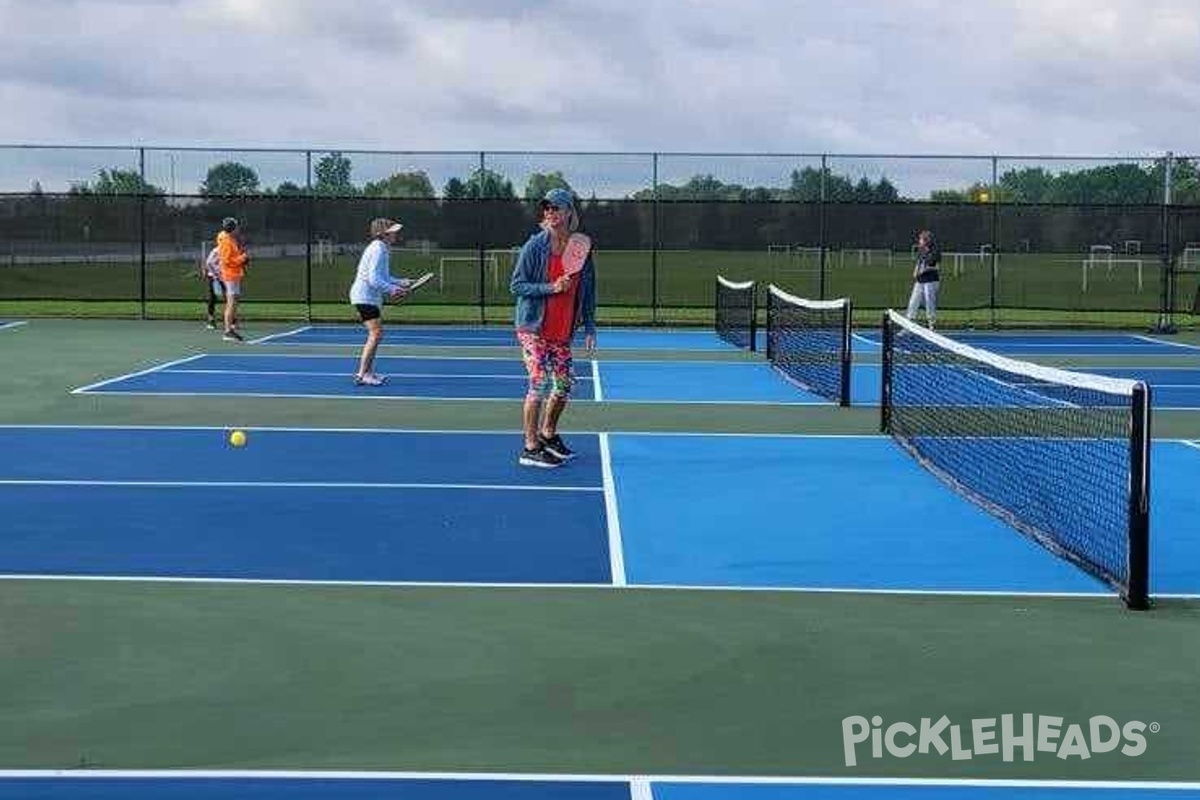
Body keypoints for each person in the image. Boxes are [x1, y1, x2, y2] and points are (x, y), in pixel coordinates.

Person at [509, 188, 597, 468]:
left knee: (565, 385)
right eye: (546, 208)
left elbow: (589, 288)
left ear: (569, 211)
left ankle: (547, 434)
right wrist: (551, 287)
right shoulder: (535, 246)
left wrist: (590, 325)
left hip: (562, 330)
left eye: (555, 208)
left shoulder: (580, 247)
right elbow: (517, 285)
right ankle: (530, 447)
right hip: (533, 328)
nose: (550, 212)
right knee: (540, 383)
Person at [348, 218, 413, 386]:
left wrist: (399, 282)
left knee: (377, 334)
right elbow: (373, 278)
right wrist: (393, 290)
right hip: (364, 297)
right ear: (383, 234)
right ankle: (362, 374)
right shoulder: (378, 249)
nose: (396, 234)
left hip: (369, 297)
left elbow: (382, 276)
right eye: (393, 231)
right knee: (376, 334)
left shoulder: (381, 248)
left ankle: (368, 372)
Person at [216, 217, 250, 342]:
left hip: (233, 274)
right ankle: (227, 331)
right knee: (231, 302)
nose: (238, 228)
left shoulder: (228, 238)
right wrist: (242, 259)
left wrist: (241, 257)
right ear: (232, 228)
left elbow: (232, 256)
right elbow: (226, 261)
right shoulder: (227, 241)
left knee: (234, 301)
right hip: (230, 275)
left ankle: (230, 328)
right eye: (236, 226)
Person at [906, 229, 941, 329]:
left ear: (926, 240)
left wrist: (925, 270)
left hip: (931, 280)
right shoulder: (920, 250)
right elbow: (919, 262)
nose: (919, 241)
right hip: (920, 281)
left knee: (929, 302)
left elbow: (937, 267)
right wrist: (915, 271)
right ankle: (908, 325)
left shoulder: (935, 251)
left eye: (921, 239)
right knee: (913, 301)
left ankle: (931, 324)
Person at [199, 243, 224, 330]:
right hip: (214, 277)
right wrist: (215, 275)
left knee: (229, 298)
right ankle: (211, 320)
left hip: (226, 277)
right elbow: (208, 263)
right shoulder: (216, 251)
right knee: (212, 298)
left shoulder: (230, 249)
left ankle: (232, 320)